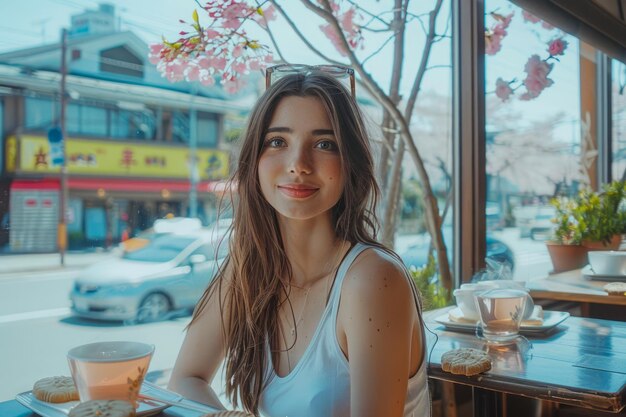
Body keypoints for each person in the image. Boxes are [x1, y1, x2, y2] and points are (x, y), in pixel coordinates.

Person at [168, 65, 431, 417]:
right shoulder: (248, 270)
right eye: (278, 142)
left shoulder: (372, 280)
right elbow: (185, 379)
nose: (298, 164)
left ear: (349, 163)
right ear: (254, 161)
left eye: (324, 144)